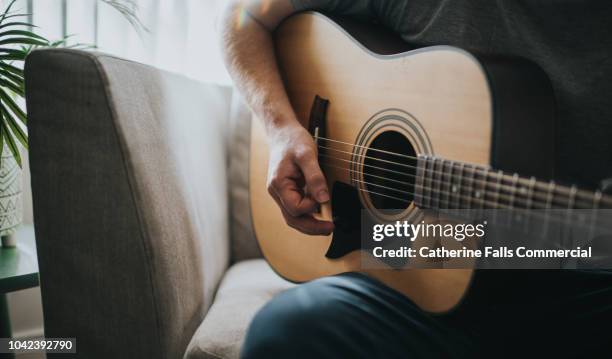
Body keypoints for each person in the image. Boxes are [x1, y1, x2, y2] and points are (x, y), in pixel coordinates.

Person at [220, 1, 612, 357]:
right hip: (415, 292)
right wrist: (282, 129)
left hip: (579, 284)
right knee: (286, 331)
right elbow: (244, 16)